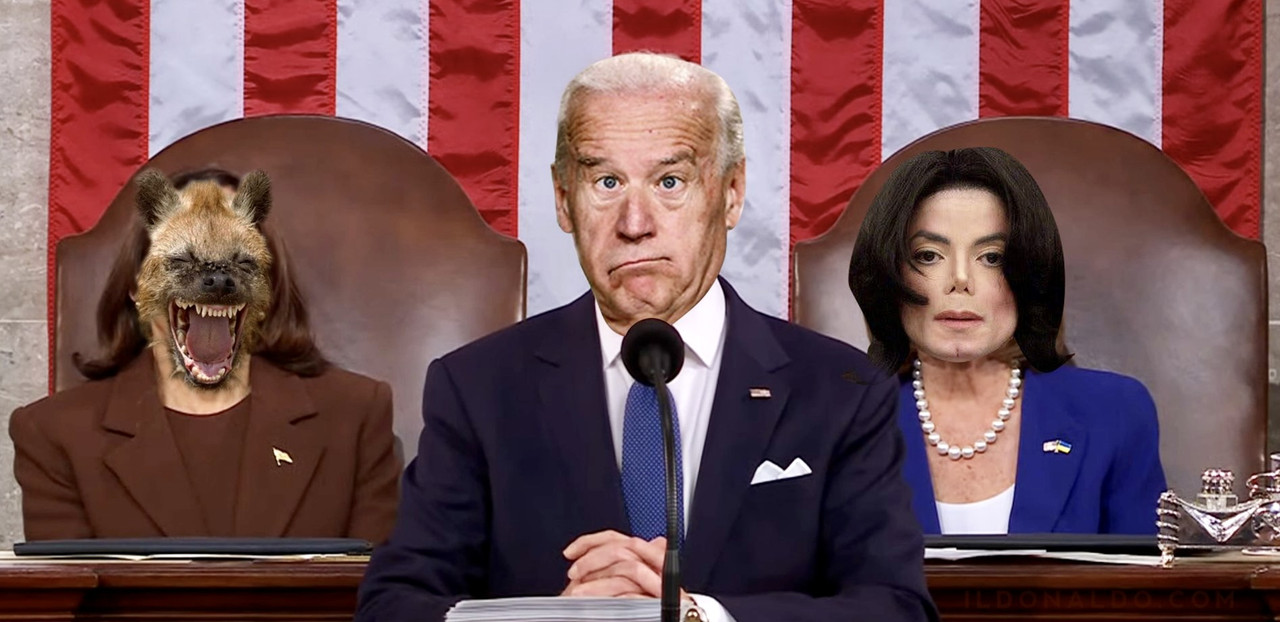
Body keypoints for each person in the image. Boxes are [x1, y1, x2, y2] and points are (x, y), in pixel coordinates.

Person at [357, 53, 937, 621]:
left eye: (670, 181)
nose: (635, 224)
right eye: (606, 182)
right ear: (563, 199)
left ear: (731, 193)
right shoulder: (478, 387)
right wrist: (547, 621)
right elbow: (393, 606)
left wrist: (700, 617)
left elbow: (896, 607)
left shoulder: (842, 390)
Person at [9, 168, 401, 542]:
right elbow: (71, 588)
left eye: (241, 262)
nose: (217, 280)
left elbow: (378, 582)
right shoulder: (54, 433)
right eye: (181, 260)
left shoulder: (356, 414)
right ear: (134, 286)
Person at [847, 147, 1167, 535]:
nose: (960, 280)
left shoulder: (1115, 412)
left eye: (992, 257)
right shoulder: (837, 416)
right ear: (889, 275)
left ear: (1030, 274)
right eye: (928, 255)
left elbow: (1149, 575)